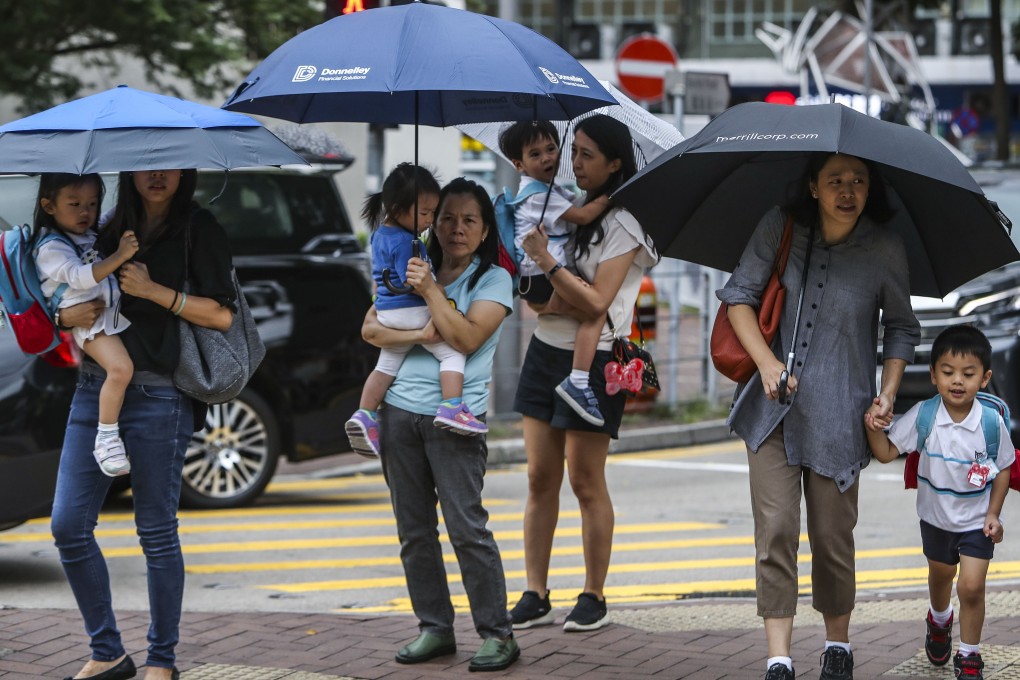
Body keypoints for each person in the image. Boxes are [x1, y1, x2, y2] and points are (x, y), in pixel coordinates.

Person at [718, 152, 921, 680]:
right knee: (777, 529)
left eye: (858, 181)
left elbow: (902, 327)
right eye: (835, 181)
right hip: (771, 412)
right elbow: (739, 297)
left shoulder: (885, 248)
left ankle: (837, 645)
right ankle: (779, 658)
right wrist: (767, 365)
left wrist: (888, 391)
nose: (847, 191)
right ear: (813, 186)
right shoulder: (780, 226)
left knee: (832, 537)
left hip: (841, 416)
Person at [51, 168, 236, 680]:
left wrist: (155, 291)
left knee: (155, 532)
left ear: (185, 170)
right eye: (146, 164)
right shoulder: (106, 226)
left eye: (168, 163)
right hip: (95, 390)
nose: (156, 174)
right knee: (68, 525)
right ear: (129, 170)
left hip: (160, 395)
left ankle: (162, 660)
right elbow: (63, 288)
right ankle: (107, 651)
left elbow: (222, 316)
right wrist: (61, 318)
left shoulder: (199, 228)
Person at [361, 177, 519, 672]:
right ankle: (434, 628)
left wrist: (429, 292)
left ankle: (497, 633)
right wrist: (416, 323)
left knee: (466, 529)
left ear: (485, 229)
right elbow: (370, 328)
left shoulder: (492, 280)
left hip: (455, 421)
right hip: (398, 413)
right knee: (414, 532)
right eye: (446, 217)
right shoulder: (409, 262)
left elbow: (467, 338)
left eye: (469, 220)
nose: (455, 228)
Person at [510, 114, 659, 632]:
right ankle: (535, 592)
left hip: (595, 360)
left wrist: (548, 266)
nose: (573, 163)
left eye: (586, 155)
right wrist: (546, 288)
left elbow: (596, 302)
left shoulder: (626, 223)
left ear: (615, 164)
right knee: (539, 477)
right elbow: (545, 296)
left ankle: (593, 594)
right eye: (573, 152)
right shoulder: (564, 207)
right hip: (545, 350)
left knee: (585, 480)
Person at [866, 325, 1012, 680]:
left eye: (968, 374)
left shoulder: (990, 423)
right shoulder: (924, 416)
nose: (957, 381)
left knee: (972, 587)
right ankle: (940, 619)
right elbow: (886, 452)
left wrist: (993, 514)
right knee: (941, 576)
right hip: (935, 521)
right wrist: (872, 426)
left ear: (985, 378)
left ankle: (969, 654)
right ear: (933, 375)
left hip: (976, 522)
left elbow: (1004, 467)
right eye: (948, 372)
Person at [345, 163, 486, 459]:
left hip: (387, 312)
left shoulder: (380, 235)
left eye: (433, 213)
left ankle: (365, 414)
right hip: (412, 310)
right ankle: (452, 406)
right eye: (424, 213)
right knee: (452, 353)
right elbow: (412, 282)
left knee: (386, 366)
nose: (429, 220)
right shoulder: (406, 242)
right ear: (398, 208)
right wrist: (436, 290)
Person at [498, 120, 613, 427]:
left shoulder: (549, 189)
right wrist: (613, 194)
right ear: (519, 164)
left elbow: (578, 203)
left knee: (586, 308)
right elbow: (583, 214)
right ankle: (578, 381)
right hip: (541, 277)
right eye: (535, 154)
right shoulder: (537, 196)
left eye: (551, 149)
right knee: (595, 312)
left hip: (541, 277)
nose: (547, 158)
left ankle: (576, 375)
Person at [33, 173, 138, 477]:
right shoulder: (51, 247)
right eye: (75, 204)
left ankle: (111, 432)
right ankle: (106, 439)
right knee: (121, 369)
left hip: (104, 316)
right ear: (49, 206)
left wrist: (131, 189)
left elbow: (108, 219)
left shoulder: (85, 233)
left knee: (122, 371)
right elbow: (80, 277)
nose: (85, 212)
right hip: (89, 324)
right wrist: (120, 255)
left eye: (92, 204)